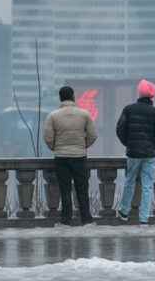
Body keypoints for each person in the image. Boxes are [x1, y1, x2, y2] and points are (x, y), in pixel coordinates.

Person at [43, 86, 98, 225]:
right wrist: (83, 146)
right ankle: (86, 219)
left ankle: (66, 220)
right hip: (79, 156)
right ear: (73, 97)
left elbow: (48, 137)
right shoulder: (84, 114)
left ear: (60, 98)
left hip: (61, 157)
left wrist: (55, 147)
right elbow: (93, 135)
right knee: (82, 189)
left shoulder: (53, 116)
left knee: (65, 189)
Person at [115, 79, 155, 225]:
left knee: (129, 181)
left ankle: (124, 211)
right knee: (147, 186)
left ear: (139, 93)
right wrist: (153, 146)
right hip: (150, 154)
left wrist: (129, 143)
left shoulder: (128, 109)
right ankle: (144, 218)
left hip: (133, 153)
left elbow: (119, 129)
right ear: (152, 96)